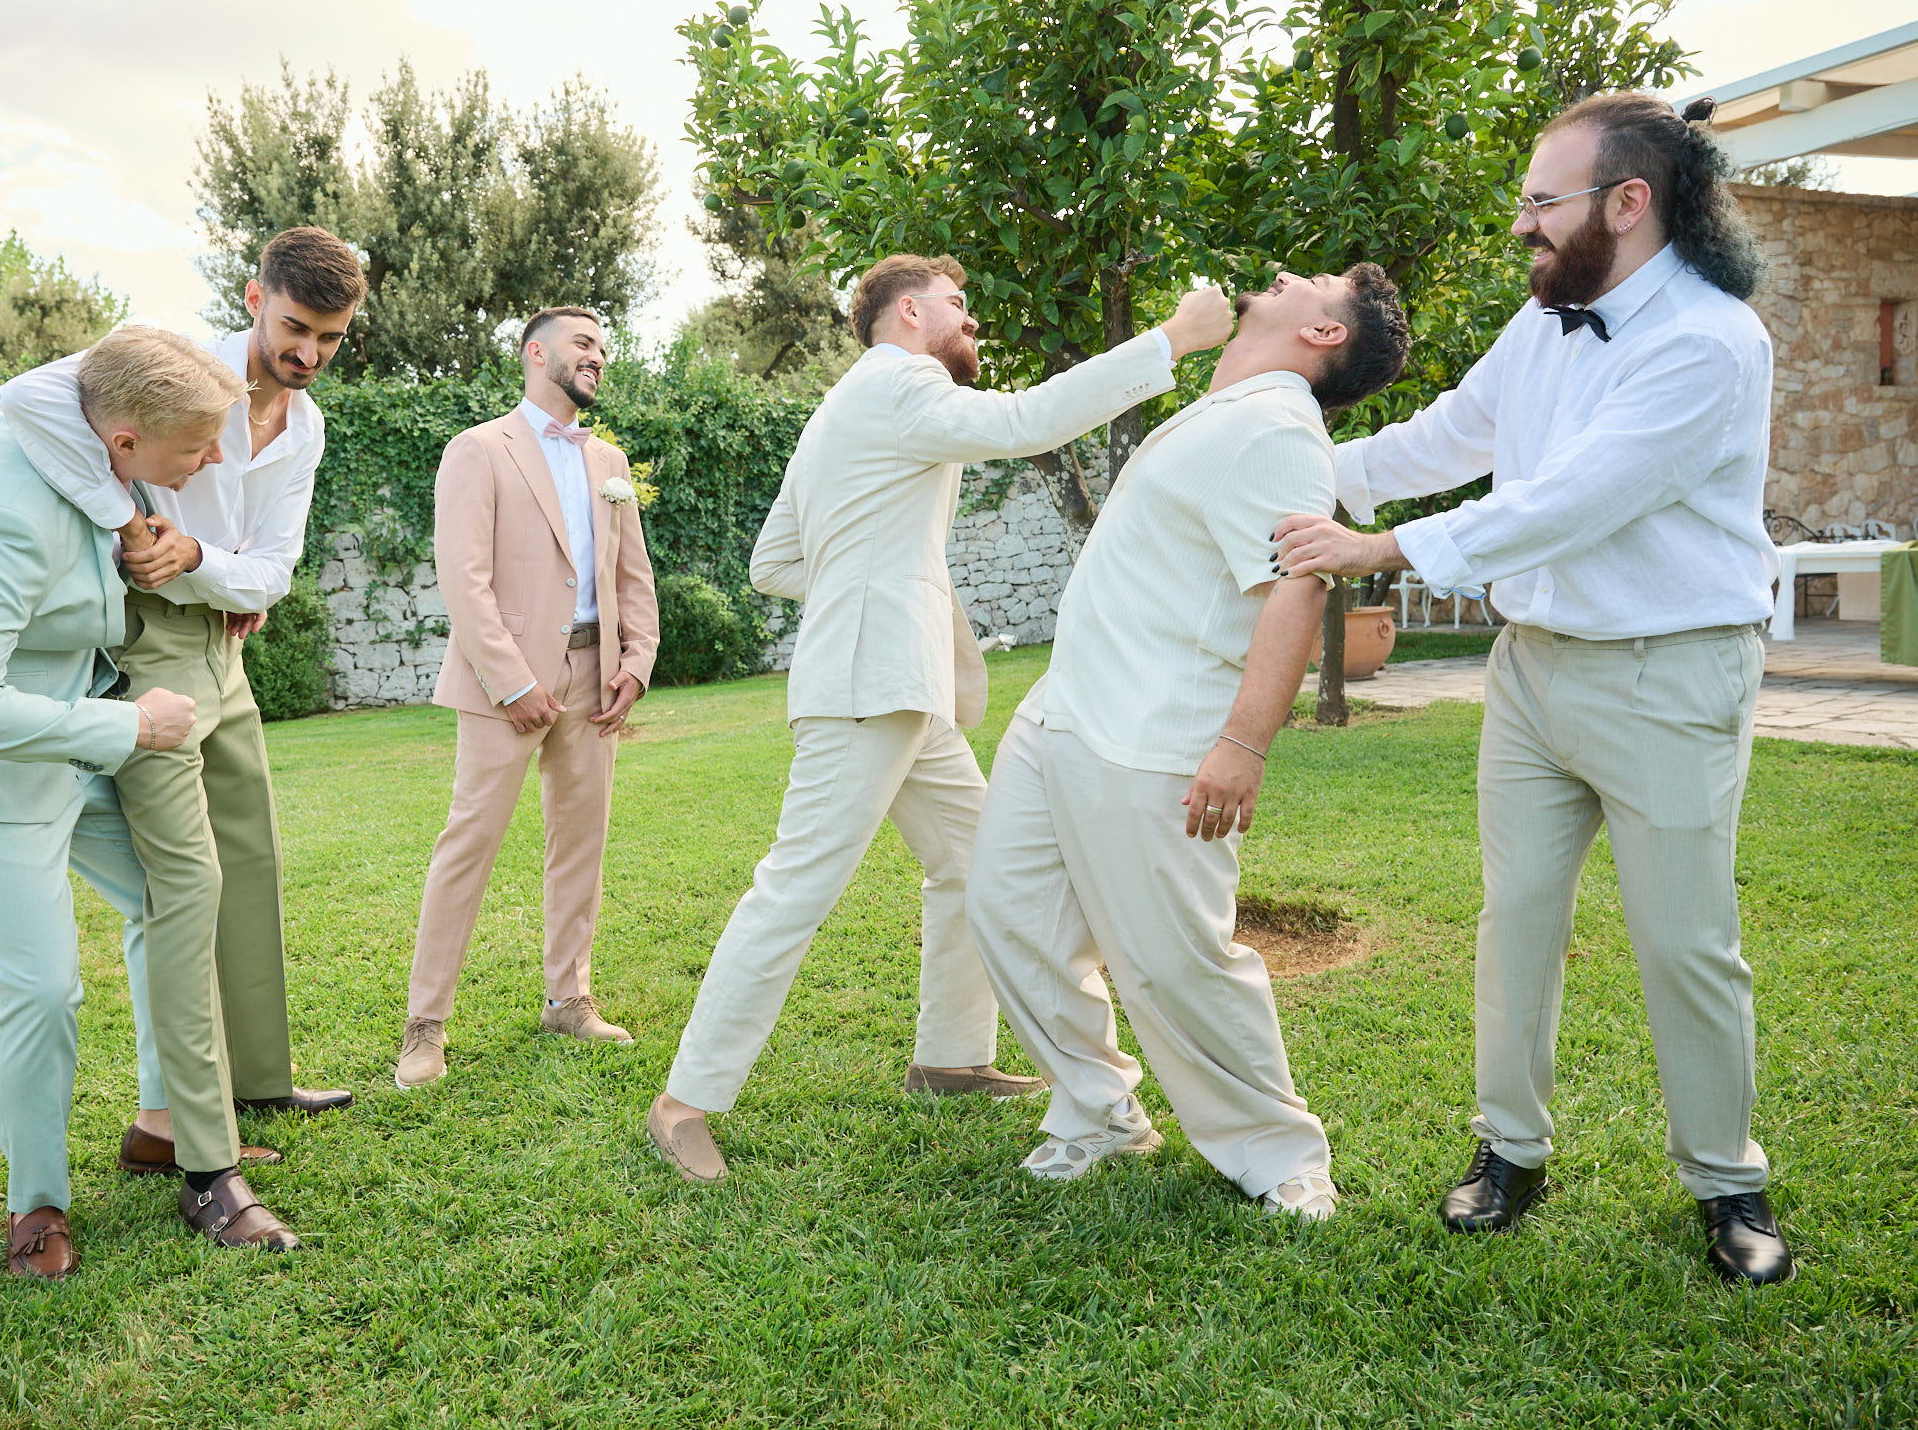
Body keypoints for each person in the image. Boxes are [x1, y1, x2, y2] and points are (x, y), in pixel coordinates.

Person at [1273, 92, 1791, 1283]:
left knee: (1687, 942)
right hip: (1532, 674)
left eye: (1542, 203)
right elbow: (1453, 434)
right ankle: (1510, 1151)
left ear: (1629, 202)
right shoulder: (1546, 318)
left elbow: (1573, 501)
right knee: (1516, 925)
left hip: (1669, 676)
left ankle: (1728, 1181)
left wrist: (1377, 548)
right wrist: (1297, 471)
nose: (1523, 226)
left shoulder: (1712, 343)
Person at [645, 252, 1236, 1184]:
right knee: (795, 889)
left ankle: (951, 1057)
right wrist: (1172, 339)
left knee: (979, 866)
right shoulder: (900, 382)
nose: (973, 322)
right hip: (866, 688)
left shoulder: (844, 406)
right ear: (910, 313)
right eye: (959, 305)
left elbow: (775, 561)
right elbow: (1026, 420)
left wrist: (883, 592)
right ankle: (684, 1102)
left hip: (901, 687)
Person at [966, 266, 1411, 1219]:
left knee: (1177, 963)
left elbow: (1297, 586)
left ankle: (1281, 1155)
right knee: (1010, 916)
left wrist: (1244, 746)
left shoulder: (1280, 431)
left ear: (1326, 334)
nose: (1284, 274)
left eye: (1314, 283)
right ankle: (1099, 1112)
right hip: (1062, 713)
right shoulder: (1228, 408)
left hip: (1153, 734)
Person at [0, 326, 299, 1277]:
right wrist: (129, 727)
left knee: (171, 898)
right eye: (199, 446)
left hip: (76, 731)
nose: (215, 460)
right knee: (39, 988)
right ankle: (36, 1204)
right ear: (125, 441)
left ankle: (166, 1124)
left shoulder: (99, 433)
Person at [0, 227, 367, 1187]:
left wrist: (202, 560)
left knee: (251, 861)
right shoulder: (177, 366)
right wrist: (129, 521)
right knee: (185, 886)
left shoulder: (308, 429)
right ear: (254, 297)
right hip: (146, 644)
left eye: (330, 338)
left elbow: (272, 572)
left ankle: (261, 1081)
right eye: (296, 327)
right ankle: (185, 1137)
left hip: (223, 646)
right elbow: (28, 396)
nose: (309, 354)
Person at [394, 307, 660, 1089]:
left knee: (581, 843)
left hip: (595, 678)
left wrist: (636, 662)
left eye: (603, 347)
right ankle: (425, 1025)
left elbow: (632, 574)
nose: (597, 357)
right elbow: (463, 578)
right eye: (583, 344)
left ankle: (568, 1000)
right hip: (502, 683)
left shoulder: (608, 459)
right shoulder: (478, 449)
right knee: (468, 845)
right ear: (536, 353)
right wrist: (512, 682)